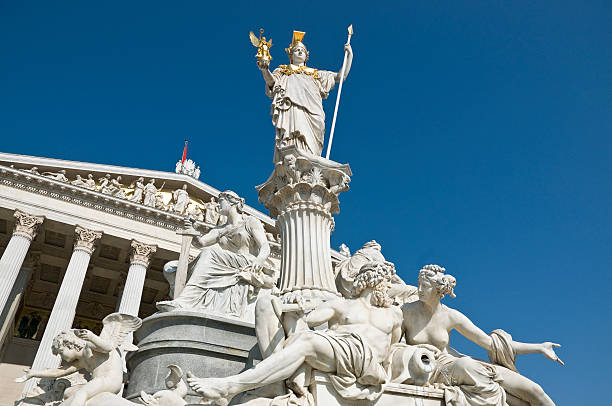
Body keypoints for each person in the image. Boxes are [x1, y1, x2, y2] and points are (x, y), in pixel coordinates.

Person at [186, 262, 403, 405]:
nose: (389, 289)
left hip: (364, 360)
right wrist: (298, 305)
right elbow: (310, 319)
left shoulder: (393, 314)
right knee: (267, 304)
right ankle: (271, 381)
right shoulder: (342, 304)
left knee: (307, 340)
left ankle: (232, 385)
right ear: (377, 283)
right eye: (387, 284)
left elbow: (392, 349)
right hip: (337, 349)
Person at [401, 265, 563, 406]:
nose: (419, 290)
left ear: (438, 290)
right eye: (419, 284)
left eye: (425, 286)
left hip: (457, 363)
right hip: (438, 369)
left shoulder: (451, 316)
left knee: (535, 391)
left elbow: (492, 344)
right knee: (510, 398)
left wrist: (540, 348)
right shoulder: (406, 312)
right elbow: (394, 346)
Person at [157, 191, 277, 319]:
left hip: (247, 261)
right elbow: (201, 243)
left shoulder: (250, 222)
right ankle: (185, 297)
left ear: (232, 203)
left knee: (210, 251)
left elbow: (265, 246)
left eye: (220, 202)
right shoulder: (220, 229)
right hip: (227, 261)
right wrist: (193, 229)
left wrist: (260, 260)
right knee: (171, 267)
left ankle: (185, 300)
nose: (217, 205)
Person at [257, 31, 354, 163]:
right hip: (291, 109)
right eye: (297, 50)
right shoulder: (283, 71)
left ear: (307, 55)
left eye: (302, 50)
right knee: (293, 138)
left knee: (312, 147)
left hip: (313, 111)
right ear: (291, 55)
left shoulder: (316, 74)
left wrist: (349, 56)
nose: (300, 52)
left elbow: (340, 77)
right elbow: (272, 82)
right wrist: (265, 70)